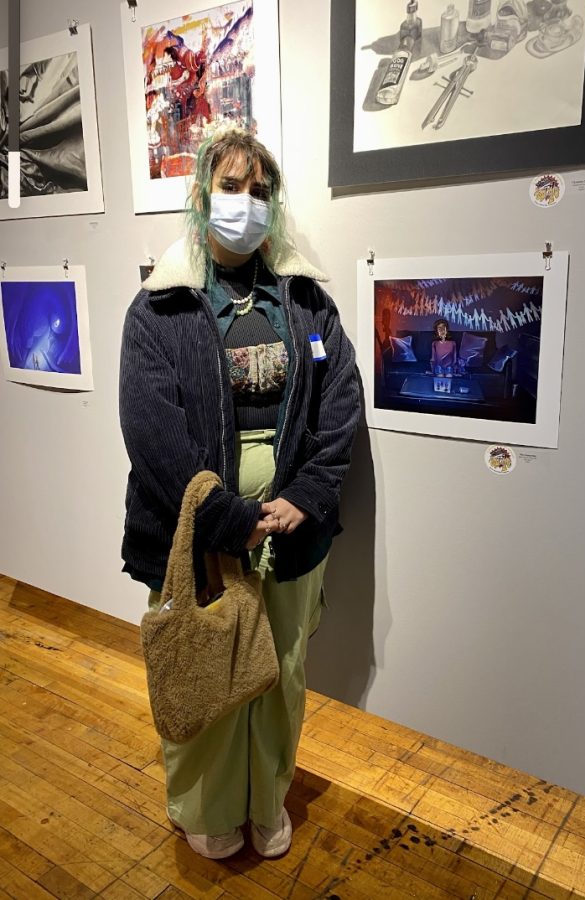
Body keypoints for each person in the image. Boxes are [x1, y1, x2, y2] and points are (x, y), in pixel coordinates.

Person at [119, 127, 359, 860]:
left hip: (289, 534)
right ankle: (207, 808)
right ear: (201, 195)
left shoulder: (307, 304)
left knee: (280, 672)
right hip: (197, 530)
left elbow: (340, 401)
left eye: (260, 191)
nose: (246, 205)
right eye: (231, 187)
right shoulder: (158, 310)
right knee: (204, 665)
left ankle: (266, 799)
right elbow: (152, 429)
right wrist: (228, 517)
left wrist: (307, 496)